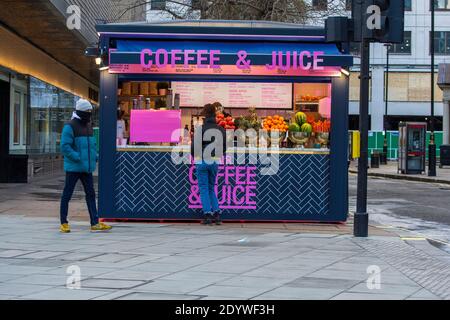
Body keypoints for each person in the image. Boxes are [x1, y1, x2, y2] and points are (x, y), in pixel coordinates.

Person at [59, 99, 112, 233]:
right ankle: (63, 222)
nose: (89, 114)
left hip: (86, 167)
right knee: (67, 194)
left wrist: (95, 157)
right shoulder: (70, 126)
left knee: (90, 194)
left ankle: (94, 222)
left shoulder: (88, 125)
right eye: (87, 112)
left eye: (90, 111)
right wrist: (78, 157)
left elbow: (92, 145)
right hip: (74, 167)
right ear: (80, 111)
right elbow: (65, 147)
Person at [191, 104, 226, 225]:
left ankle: (207, 215)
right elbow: (224, 147)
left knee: (204, 188)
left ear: (205, 114)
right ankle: (217, 214)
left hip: (202, 160)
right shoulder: (221, 129)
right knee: (211, 187)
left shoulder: (200, 129)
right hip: (215, 161)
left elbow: (194, 147)